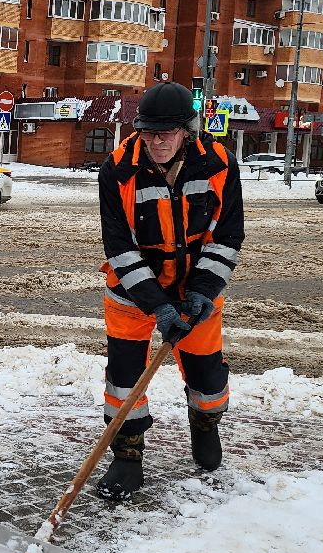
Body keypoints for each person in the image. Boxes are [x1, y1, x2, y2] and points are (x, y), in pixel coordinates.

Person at [96, 81, 245, 499]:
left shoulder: (218, 164)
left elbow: (227, 236)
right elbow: (119, 246)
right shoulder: (118, 169)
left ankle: (205, 426)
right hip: (132, 294)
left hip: (196, 292)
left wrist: (202, 291)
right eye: (147, 133)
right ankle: (127, 457)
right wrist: (157, 305)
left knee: (206, 377)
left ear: (187, 131)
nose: (156, 142)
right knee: (125, 379)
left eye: (165, 133)